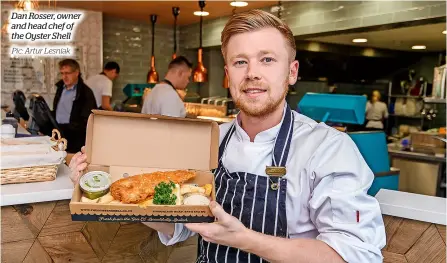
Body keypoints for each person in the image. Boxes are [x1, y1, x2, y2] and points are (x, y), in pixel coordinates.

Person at [69, 10, 386, 263]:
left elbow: (357, 255)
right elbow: (177, 226)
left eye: (267, 59)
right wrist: (105, 190)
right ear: (228, 74)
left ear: (292, 71)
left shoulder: (327, 148)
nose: (252, 73)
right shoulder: (213, 140)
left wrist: (246, 240)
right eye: (240, 62)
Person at [53, 59, 97, 153]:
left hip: (75, 139)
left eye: (67, 73)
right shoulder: (60, 88)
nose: (64, 77)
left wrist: (71, 129)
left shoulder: (85, 93)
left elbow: (88, 119)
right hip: (59, 135)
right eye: (62, 73)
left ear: (76, 73)